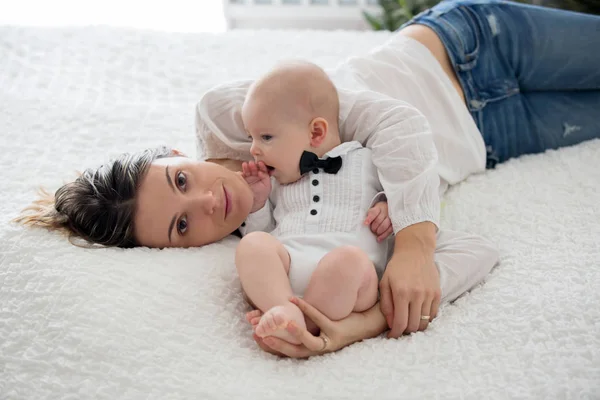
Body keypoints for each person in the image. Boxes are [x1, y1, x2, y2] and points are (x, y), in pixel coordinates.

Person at [16, 0, 600, 358]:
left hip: (464, 49)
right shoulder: (273, 234)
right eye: (182, 225)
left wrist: (417, 246)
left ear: (176, 153)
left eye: (178, 181)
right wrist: (347, 326)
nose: (204, 200)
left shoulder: (230, 117)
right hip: (492, 137)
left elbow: (391, 121)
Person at [234, 60, 499, 346]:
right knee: (253, 245)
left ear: (316, 133)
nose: (253, 149)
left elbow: (406, 192)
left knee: (347, 260)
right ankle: (284, 309)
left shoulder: (367, 158)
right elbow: (263, 232)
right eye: (251, 137)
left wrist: (390, 208)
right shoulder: (276, 182)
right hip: (287, 272)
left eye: (266, 137)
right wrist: (259, 203)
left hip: (347, 280)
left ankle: (307, 322)